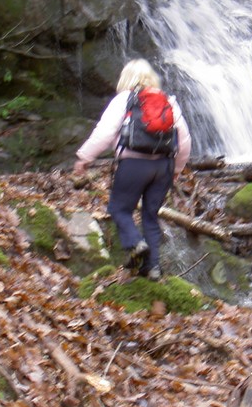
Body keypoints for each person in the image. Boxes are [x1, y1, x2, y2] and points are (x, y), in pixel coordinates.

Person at [73, 59, 191, 281]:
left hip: (134, 164)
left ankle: (135, 243)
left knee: (119, 209)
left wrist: (84, 157)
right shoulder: (168, 101)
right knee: (150, 215)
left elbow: (105, 132)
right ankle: (153, 268)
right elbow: (184, 139)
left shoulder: (124, 100)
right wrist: (177, 168)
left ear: (126, 79)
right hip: (163, 165)